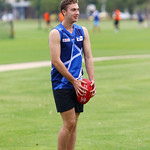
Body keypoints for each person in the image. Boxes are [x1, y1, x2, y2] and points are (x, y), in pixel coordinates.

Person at [49, 0, 96, 149]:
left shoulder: (83, 31)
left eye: (78, 9)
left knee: (74, 125)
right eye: (73, 10)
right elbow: (56, 61)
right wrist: (73, 81)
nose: (77, 12)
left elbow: (88, 57)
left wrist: (92, 80)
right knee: (69, 123)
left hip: (80, 84)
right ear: (64, 12)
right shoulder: (56, 33)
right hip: (62, 84)